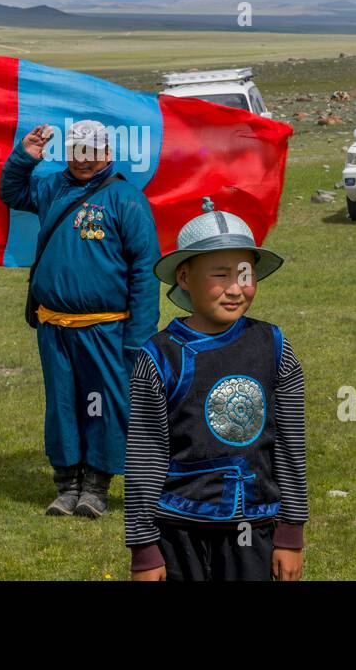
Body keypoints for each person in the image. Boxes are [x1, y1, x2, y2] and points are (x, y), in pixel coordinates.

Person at [124, 197, 307, 580]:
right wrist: (144, 548)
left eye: (245, 273)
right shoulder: (159, 357)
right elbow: (145, 458)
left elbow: (291, 447)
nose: (235, 288)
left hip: (254, 529)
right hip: (178, 532)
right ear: (185, 277)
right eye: (220, 274)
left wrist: (291, 534)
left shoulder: (273, 347)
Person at [0, 119, 161, 517]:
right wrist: (25, 156)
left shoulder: (126, 199)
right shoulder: (53, 187)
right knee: (63, 405)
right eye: (77, 151)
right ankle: (66, 485)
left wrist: (138, 338)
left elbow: (145, 270)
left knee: (101, 405)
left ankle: (96, 488)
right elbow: (11, 192)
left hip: (106, 328)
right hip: (54, 326)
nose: (84, 159)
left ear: (107, 152)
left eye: (92, 151)